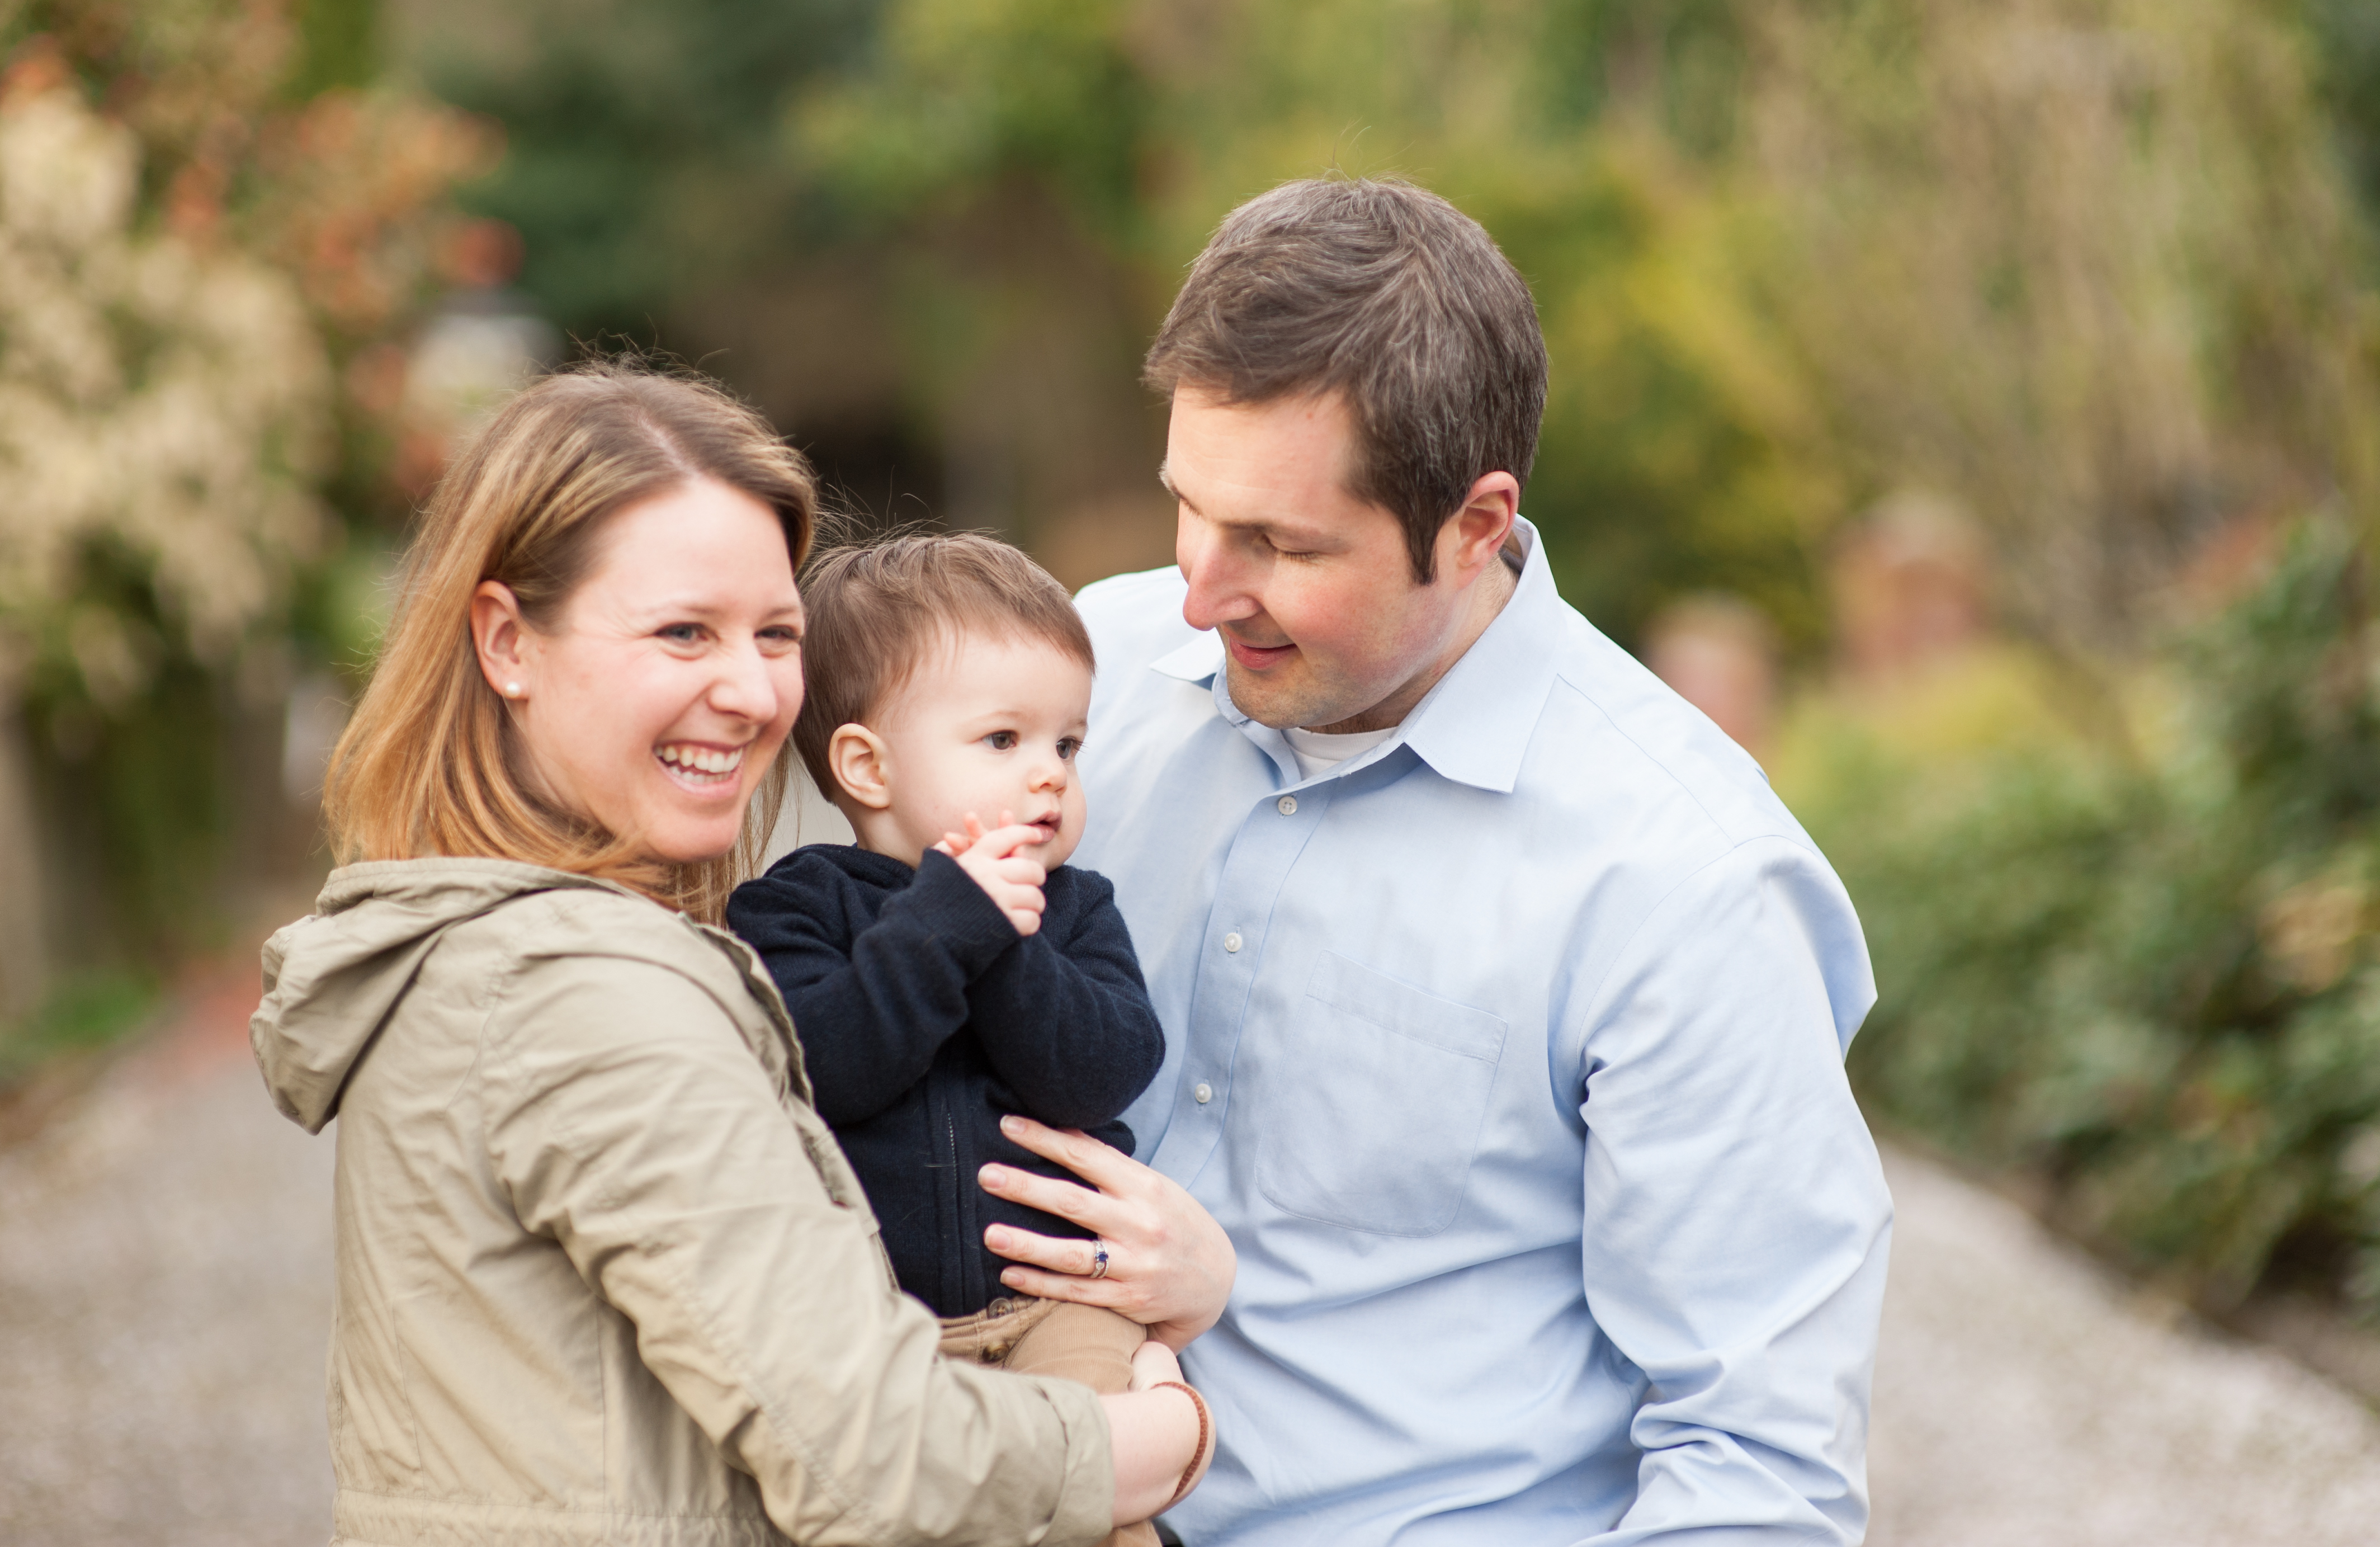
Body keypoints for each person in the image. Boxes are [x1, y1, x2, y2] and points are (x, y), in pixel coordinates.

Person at [981, 177, 1895, 1545]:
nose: (1197, 591)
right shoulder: (1077, 686)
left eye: (1279, 544)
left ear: (1473, 527)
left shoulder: (1684, 882)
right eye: (1190, 507)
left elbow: (1754, 1467)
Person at [249, 361, 1214, 1547]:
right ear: (507, 641)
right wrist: (1165, 1437)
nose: (754, 691)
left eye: (775, 633)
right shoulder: (586, 992)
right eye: (681, 632)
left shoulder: (483, 940)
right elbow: (869, 1452)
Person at [725, 534, 1172, 1546]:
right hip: (881, 1333)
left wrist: (1007, 942)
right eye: (1004, 741)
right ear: (866, 766)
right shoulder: (793, 911)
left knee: (1092, 1504)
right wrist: (947, 927)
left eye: (1068, 745)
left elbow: (1103, 1072)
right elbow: (821, 1072)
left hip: (1060, 1305)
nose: (1049, 778)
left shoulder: (1075, 911)